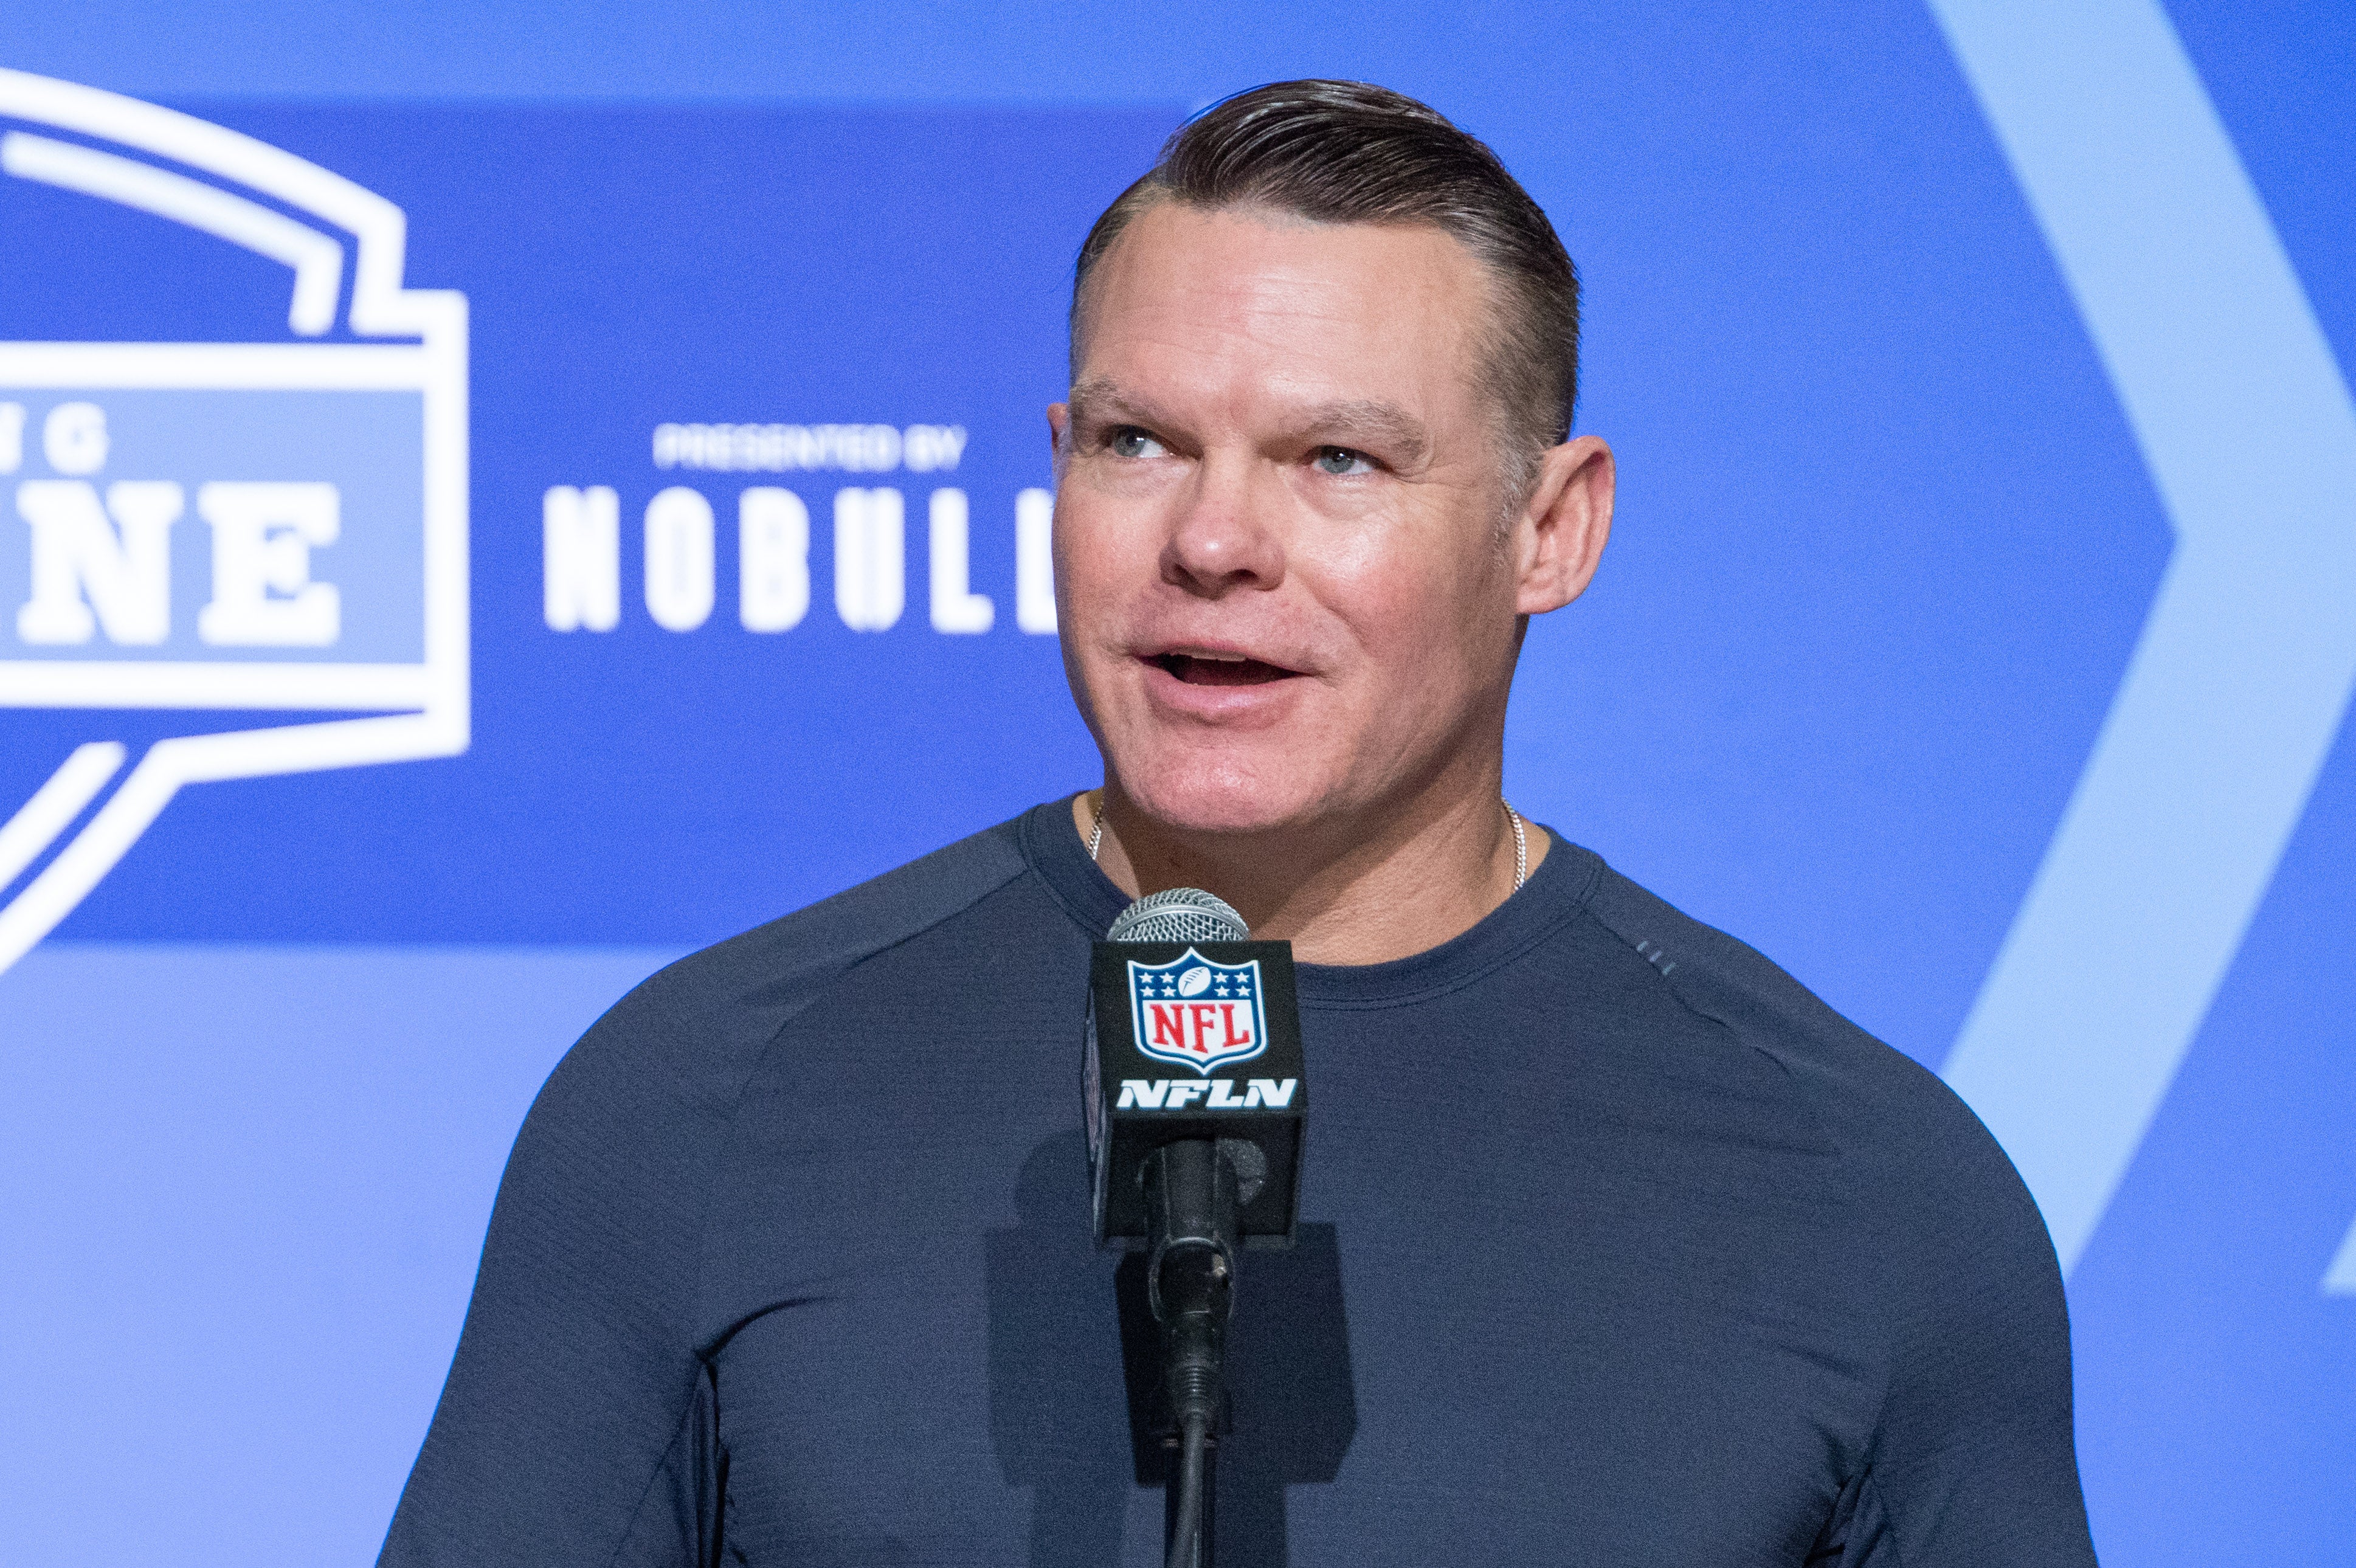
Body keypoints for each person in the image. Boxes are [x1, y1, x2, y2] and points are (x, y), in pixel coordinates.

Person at [380, 80, 2096, 1566]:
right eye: (1137, 443)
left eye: (1335, 460)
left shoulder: (1868, 1198)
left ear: (1548, 531)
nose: (1211, 541)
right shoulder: (705, 1103)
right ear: (1055, 464)